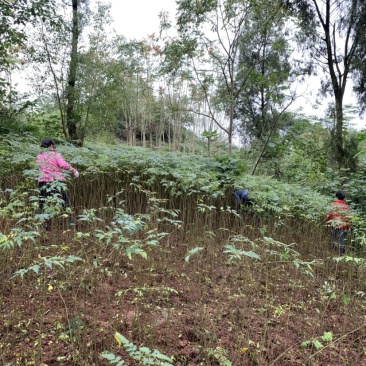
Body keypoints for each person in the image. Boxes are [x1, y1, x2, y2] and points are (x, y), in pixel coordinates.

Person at [36, 138, 79, 224]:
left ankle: (41, 225)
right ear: (51, 146)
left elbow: (38, 167)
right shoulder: (56, 155)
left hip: (43, 181)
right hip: (57, 181)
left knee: (42, 203)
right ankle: (70, 223)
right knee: (65, 202)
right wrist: (74, 170)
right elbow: (63, 165)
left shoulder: (39, 156)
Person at [326, 191, 351, 255]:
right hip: (342, 225)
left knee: (333, 239)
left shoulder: (333, 204)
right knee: (341, 240)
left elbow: (329, 215)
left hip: (334, 224)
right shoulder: (346, 206)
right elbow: (348, 218)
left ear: (337, 197)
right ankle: (341, 254)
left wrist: (327, 222)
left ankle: (333, 252)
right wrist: (348, 227)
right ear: (343, 198)